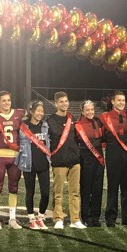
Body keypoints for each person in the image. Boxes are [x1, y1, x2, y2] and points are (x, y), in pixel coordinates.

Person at [99, 90, 127, 227]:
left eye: (123, 100)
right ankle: (111, 217)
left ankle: (126, 217)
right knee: (113, 187)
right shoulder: (104, 117)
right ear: (113, 101)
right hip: (112, 154)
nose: (121, 102)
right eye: (119, 100)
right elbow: (101, 135)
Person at [47, 91, 85, 229]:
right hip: (59, 161)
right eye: (61, 101)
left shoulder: (73, 118)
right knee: (58, 193)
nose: (64, 104)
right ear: (56, 103)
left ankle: (75, 219)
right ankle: (58, 218)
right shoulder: (50, 120)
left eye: (66, 101)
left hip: (74, 161)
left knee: (75, 192)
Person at [0, 91, 25, 230]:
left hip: (15, 155)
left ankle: (12, 218)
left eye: (8, 100)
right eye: (3, 101)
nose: (6, 103)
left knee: (14, 188)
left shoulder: (19, 113)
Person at [16, 100, 50, 230]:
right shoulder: (24, 126)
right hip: (28, 163)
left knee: (45, 193)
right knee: (30, 192)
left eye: (42, 111)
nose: (40, 113)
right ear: (31, 112)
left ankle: (40, 217)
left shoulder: (45, 125)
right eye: (38, 111)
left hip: (43, 164)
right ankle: (31, 218)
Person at [75, 100, 105, 227]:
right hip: (85, 156)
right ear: (82, 111)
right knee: (86, 188)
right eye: (87, 110)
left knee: (98, 188)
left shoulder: (98, 122)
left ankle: (95, 216)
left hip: (98, 157)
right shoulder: (77, 124)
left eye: (92, 110)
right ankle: (86, 216)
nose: (90, 112)